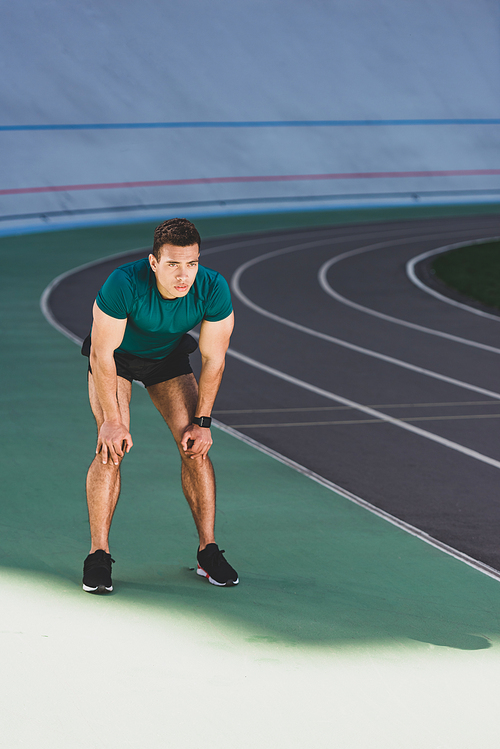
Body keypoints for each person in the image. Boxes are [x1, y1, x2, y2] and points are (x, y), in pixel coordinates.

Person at [80, 217, 238, 593]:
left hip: (167, 360)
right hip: (116, 359)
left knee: (194, 448)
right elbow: (103, 356)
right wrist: (113, 421)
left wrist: (204, 422)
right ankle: (98, 554)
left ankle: (208, 551)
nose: (184, 275)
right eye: (173, 265)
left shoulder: (212, 287)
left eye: (192, 263)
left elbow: (214, 360)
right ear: (154, 263)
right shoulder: (124, 283)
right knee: (111, 448)